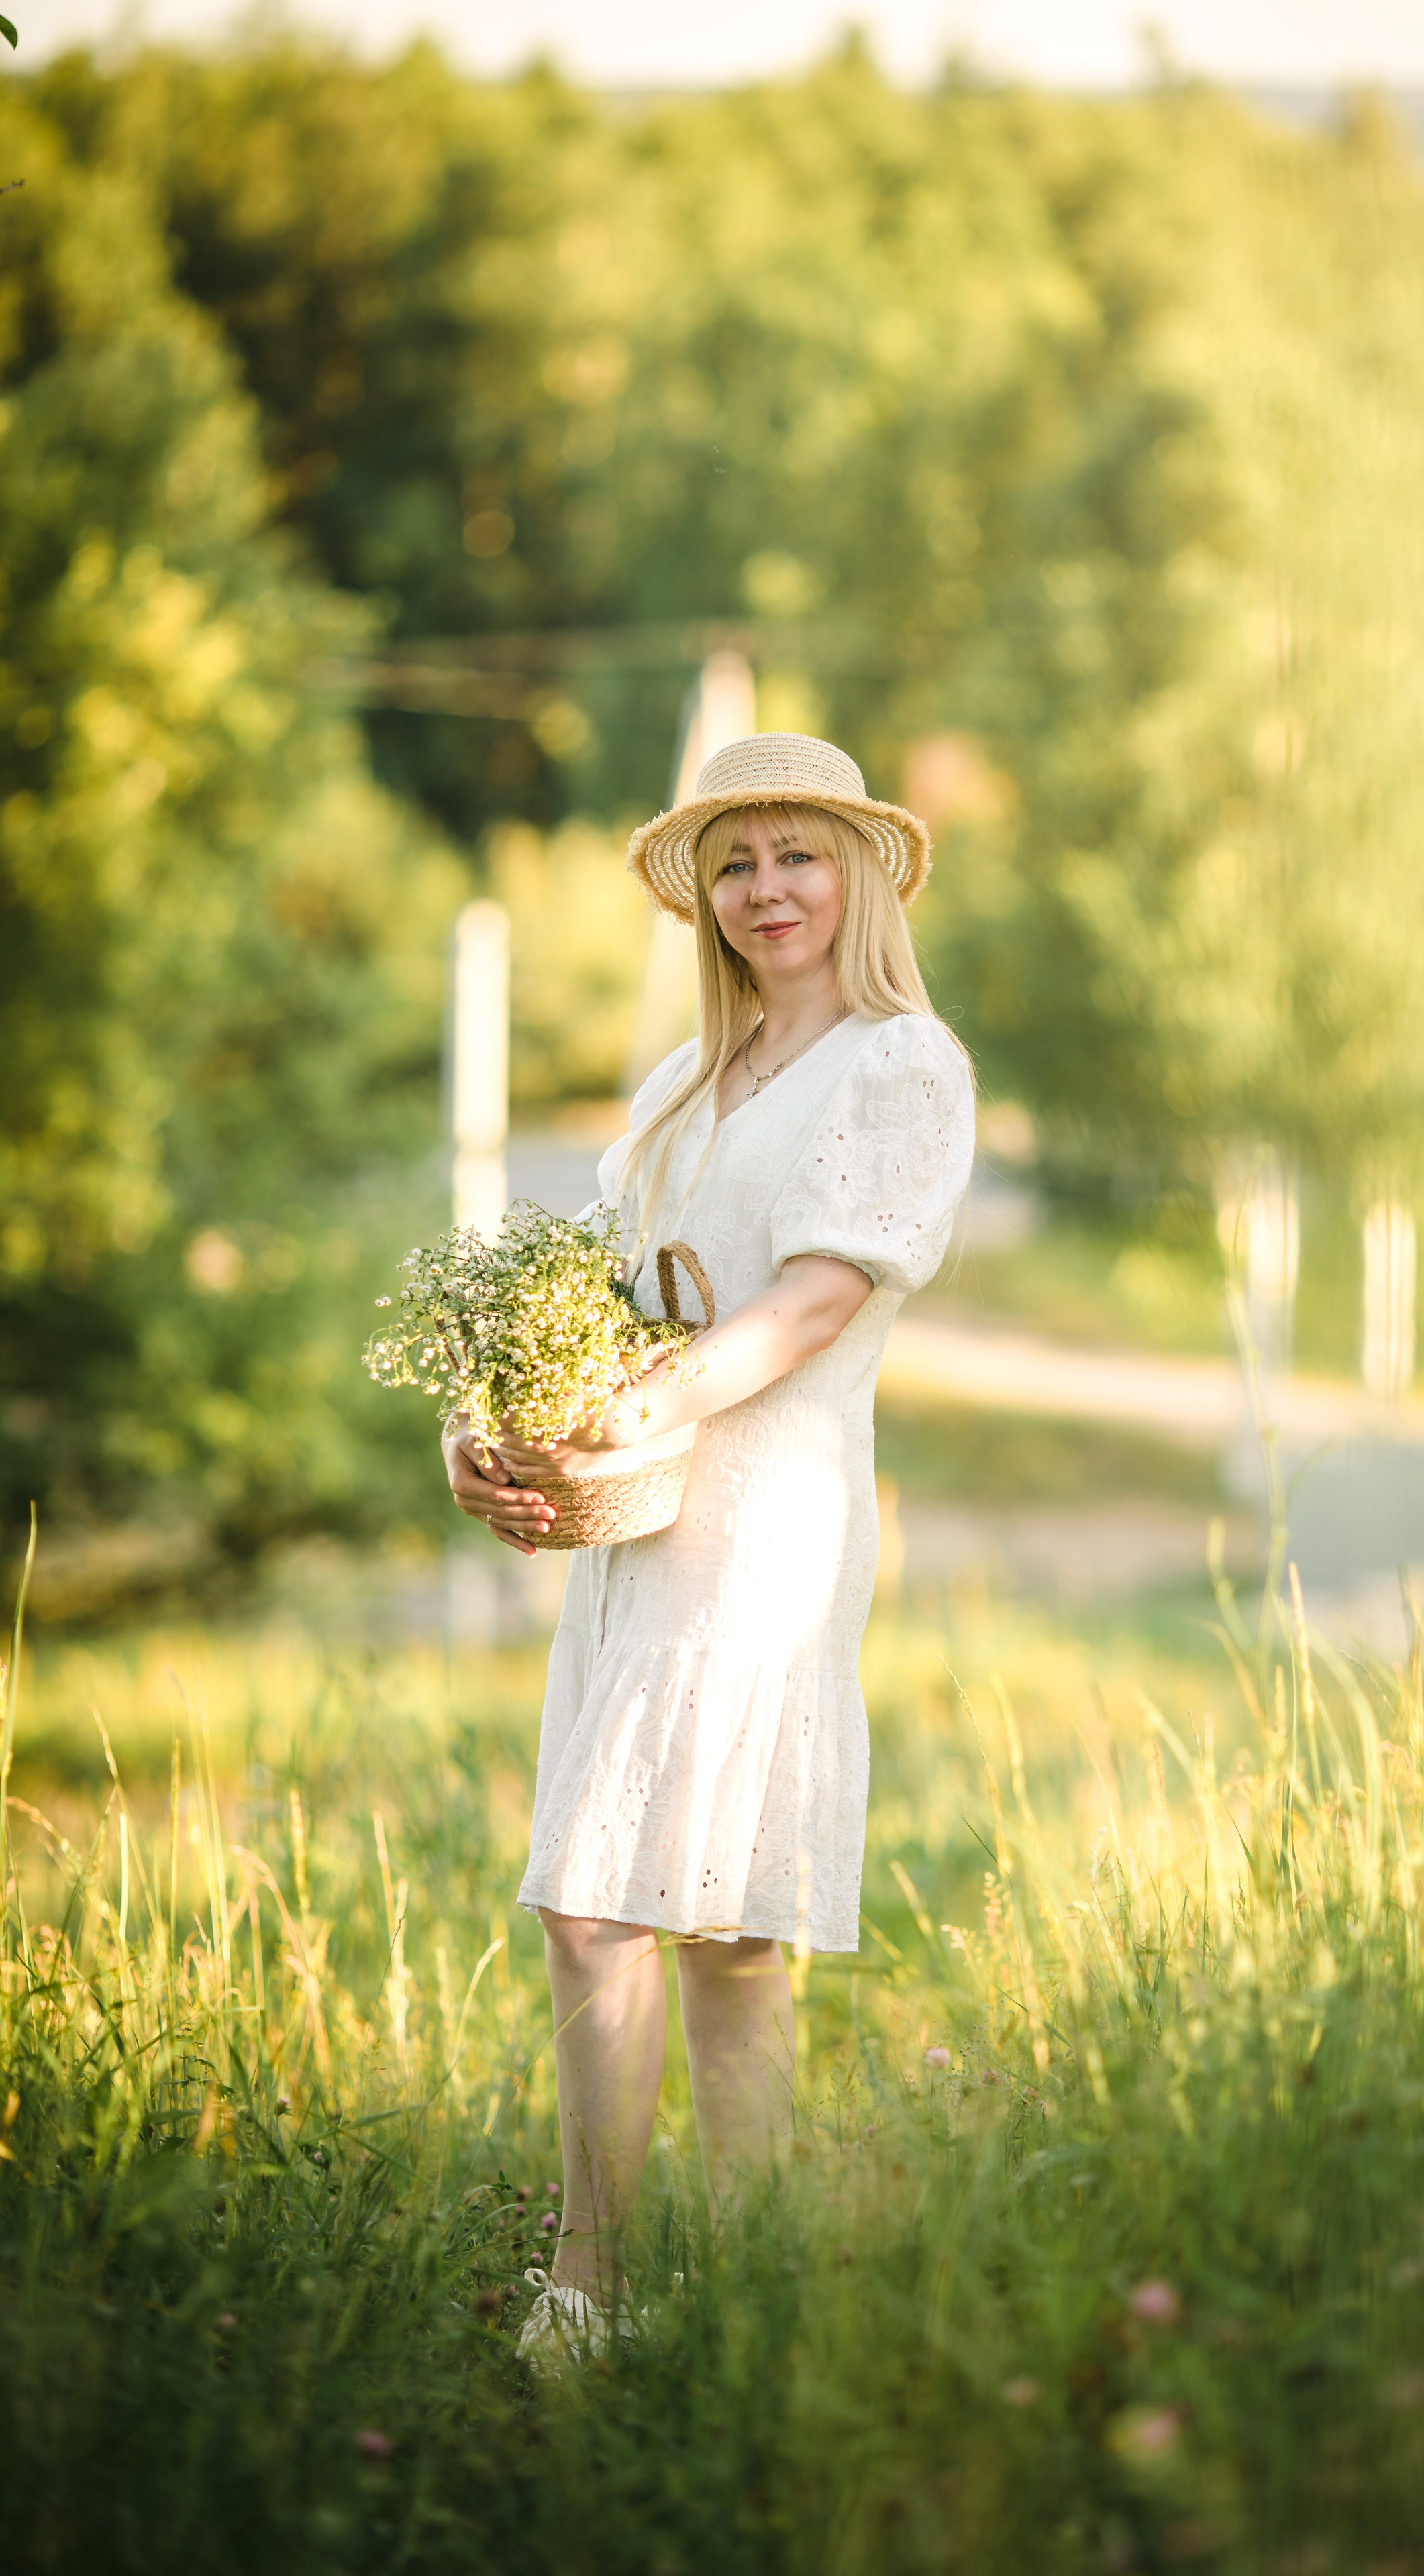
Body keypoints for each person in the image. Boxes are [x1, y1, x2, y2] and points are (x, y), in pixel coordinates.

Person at [440, 733, 974, 2362]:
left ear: (861, 872)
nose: (764, 893)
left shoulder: (900, 1063)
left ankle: (586, 2293)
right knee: (718, 1934)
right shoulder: (685, 1082)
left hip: (765, 1519)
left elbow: (818, 1297)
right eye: (735, 865)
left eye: (797, 856)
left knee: (612, 1904)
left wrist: (655, 1412)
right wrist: (491, 1421)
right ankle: (755, 2299)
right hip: (641, 1520)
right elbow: (591, 1304)